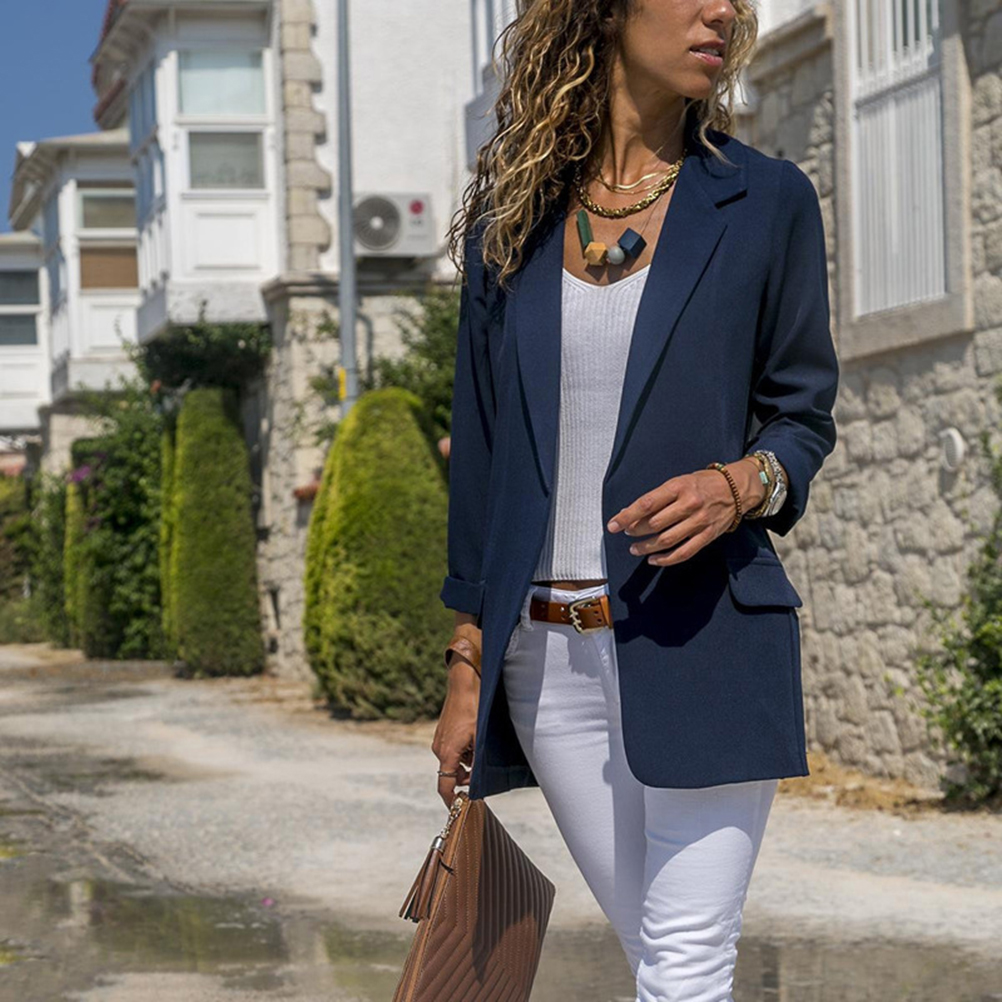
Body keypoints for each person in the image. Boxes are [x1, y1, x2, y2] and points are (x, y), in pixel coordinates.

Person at [432, 1, 839, 999]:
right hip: (546, 663)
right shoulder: (512, 223)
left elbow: (802, 417)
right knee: (660, 958)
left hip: (703, 638)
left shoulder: (767, 200)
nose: (723, 11)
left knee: (684, 966)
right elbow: (481, 457)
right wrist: (466, 665)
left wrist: (740, 484)